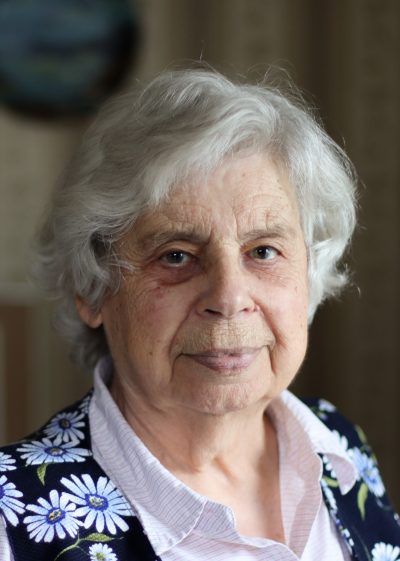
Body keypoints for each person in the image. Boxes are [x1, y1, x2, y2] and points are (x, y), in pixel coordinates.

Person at [0, 68, 399, 561]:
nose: (229, 297)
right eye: (176, 256)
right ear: (93, 287)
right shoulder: (11, 520)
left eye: (264, 251)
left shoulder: (337, 444)